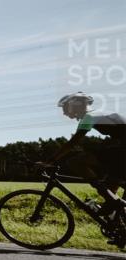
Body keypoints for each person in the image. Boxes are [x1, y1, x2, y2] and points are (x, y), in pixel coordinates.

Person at [43, 92, 125, 222]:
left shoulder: (90, 116)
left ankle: (113, 202)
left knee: (75, 162)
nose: (64, 113)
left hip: (122, 151)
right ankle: (118, 226)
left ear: (75, 105)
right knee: (110, 190)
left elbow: (73, 142)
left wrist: (49, 161)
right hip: (121, 151)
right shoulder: (101, 113)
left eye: (65, 108)